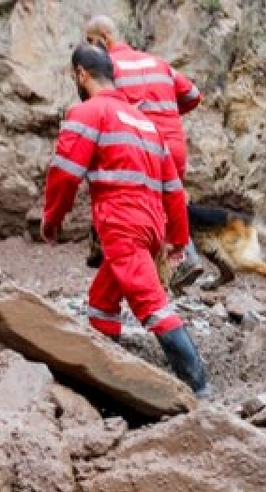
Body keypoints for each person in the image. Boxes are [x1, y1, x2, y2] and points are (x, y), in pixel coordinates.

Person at [40, 44, 210, 398]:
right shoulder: (145, 123)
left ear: (81, 74)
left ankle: (199, 385)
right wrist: (177, 239)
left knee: (151, 304)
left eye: (75, 76)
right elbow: (174, 190)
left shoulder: (87, 113)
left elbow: (65, 174)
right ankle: (105, 370)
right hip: (150, 223)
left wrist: (51, 220)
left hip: (120, 222)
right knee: (103, 296)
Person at [84, 14, 206, 290]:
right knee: (169, 203)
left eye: (90, 44)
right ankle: (181, 259)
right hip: (174, 147)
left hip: (143, 148)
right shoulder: (158, 63)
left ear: (103, 39)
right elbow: (194, 95)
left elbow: (100, 110)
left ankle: (156, 278)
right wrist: (169, 112)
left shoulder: (107, 70)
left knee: (137, 209)